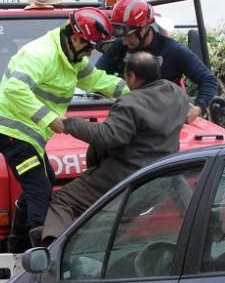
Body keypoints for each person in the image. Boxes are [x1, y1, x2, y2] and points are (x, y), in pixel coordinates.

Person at [0, 8, 128, 252]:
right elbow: (14, 89)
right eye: (90, 46)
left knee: (45, 182)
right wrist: (50, 118)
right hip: (10, 132)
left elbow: (98, 81)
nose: (91, 52)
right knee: (39, 188)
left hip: (29, 134)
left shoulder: (73, 60)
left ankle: (15, 244)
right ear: (76, 38)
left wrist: (140, 90)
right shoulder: (41, 54)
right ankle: (40, 253)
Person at [41, 51, 191, 243]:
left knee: (62, 200)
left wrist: (69, 124)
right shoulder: (176, 93)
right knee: (117, 221)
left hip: (124, 178)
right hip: (160, 177)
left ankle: (51, 252)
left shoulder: (130, 103)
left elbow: (108, 136)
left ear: (132, 77)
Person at [96, 0, 218, 124]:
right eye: (122, 36)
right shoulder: (120, 46)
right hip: (126, 117)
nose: (124, 42)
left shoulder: (173, 50)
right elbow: (97, 76)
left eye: (128, 36)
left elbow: (208, 80)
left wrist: (198, 108)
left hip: (165, 121)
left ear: (144, 28)